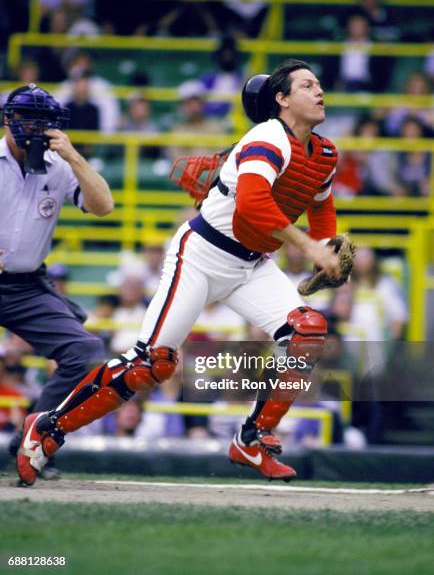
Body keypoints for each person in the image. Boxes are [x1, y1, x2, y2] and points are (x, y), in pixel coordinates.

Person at [17, 60, 343, 485]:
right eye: (307, 85)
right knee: (152, 363)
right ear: (282, 100)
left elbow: (320, 205)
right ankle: (48, 429)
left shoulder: (326, 153)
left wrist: (329, 245)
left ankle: (253, 437)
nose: (319, 91)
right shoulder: (267, 136)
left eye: (319, 84)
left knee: (307, 331)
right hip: (202, 255)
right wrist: (310, 247)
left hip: (253, 264)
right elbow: (253, 205)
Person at [0, 84, 113, 472]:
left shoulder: (59, 165)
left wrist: (74, 156)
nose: (37, 129)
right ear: (8, 121)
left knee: (85, 354)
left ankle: (29, 444)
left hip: (26, 285)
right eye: (29, 120)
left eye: (44, 122)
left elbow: (103, 206)